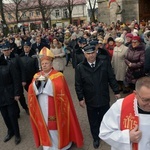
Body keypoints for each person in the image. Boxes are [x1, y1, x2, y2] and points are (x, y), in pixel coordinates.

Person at [28, 47, 83, 150]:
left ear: (51, 64)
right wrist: (36, 84)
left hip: (54, 105)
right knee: (44, 123)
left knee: (54, 125)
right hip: (41, 105)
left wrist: (47, 82)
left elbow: (60, 88)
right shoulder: (36, 75)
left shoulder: (58, 75)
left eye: (46, 63)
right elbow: (31, 89)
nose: (44, 65)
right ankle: (47, 144)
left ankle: (60, 144)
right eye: (43, 64)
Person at [75, 45, 120, 149]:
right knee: (93, 119)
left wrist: (116, 91)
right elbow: (78, 84)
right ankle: (96, 137)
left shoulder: (104, 63)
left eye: (93, 53)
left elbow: (111, 77)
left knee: (106, 117)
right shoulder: (80, 67)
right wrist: (80, 98)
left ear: (96, 53)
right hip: (90, 98)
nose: (91, 55)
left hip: (103, 96)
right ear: (85, 55)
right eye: (88, 54)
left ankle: (108, 134)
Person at [99, 76, 150, 150]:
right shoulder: (120, 107)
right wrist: (127, 137)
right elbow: (105, 133)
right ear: (135, 94)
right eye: (146, 100)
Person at [0, 43, 21, 145]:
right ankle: (10, 131)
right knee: (5, 116)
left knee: (12, 115)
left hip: (10, 93)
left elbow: (16, 80)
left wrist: (17, 93)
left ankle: (17, 134)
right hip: (0, 97)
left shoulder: (9, 64)